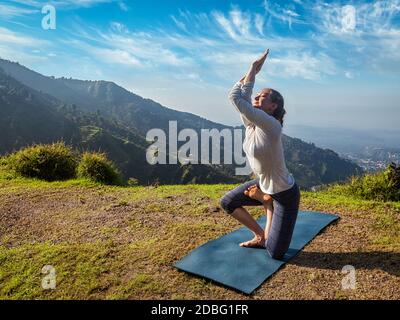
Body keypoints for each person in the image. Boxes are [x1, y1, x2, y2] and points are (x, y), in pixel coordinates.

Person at [220, 49, 301, 260]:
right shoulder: (252, 123)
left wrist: (251, 69)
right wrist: (253, 71)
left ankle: (267, 203)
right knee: (228, 202)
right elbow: (243, 97)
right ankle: (259, 235)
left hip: (284, 194)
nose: (256, 96)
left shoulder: (271, 125)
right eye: (257, 95)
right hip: (264, 183)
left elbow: (235, 97)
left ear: (273, 106)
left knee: (275, 253)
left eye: (262, 96)